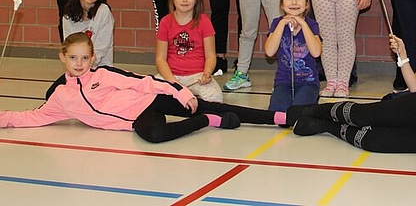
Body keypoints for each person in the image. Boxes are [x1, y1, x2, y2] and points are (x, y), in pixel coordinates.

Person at [1, 33, 289, 143]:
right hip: (140, 119)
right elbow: (30, 117)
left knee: (212, 103)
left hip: (151, 98)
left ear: (93, 58)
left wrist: (182, 91)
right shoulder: (60, 98)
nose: (79, 63)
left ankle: (278, 118)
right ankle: (206, 122)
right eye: (73, 58)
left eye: (84, 58)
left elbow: (145, 81)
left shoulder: (103, 73)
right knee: (154, 135)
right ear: (62, 57)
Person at [155, 0, 223, 103]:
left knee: (215, 98)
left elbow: (210, 56)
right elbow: (160, 59)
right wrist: (173, 81)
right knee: (151, 93)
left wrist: (207, 72)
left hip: (197, 77)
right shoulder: (165, 22)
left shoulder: (204, 21)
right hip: (171, 76)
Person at [264, 0, 322, 112]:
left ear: (306, 5)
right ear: (282, 5)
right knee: (277, 112)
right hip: (284, 82)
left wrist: (303, 24)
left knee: (298, 112)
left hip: (308, 82)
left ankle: (310, 100)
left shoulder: (312, 25)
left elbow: (316, 52)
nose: (294, 3)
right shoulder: (277, 23)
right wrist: (281, 24)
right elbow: (269, 51)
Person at [62, 0, 114, 68]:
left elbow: (100, 49)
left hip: (100, 69)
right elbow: (69, 47)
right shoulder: (67, 16)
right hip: (76, 68)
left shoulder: (103, 11)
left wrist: (84, 68)